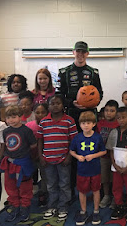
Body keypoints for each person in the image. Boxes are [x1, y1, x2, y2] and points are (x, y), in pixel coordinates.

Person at [37, 94, 77, 222]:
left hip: (63, 160)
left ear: (63, 105)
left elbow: (74, 141)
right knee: (51, 185)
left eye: (58, 103)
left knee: (64, 184)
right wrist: (41, 157)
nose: (55, 106)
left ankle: (63, 207)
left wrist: (69, 156)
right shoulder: (43, 122)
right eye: (52, 103)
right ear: (48, 106)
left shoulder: (69, 121)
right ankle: (52, 206)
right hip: (48, 160)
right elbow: (40, 141)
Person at [70, 111, 107, 226]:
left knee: (96, 190)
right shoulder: (77, 137)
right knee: (82, 191)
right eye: (83, 123)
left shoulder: (97, 137)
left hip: (95, 169)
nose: (86, 125)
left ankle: (96, 211)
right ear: (80, 124)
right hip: (82, 170)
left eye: (88, 123)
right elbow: (71, 150)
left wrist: (93, 156)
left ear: (94, 124)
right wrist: (77, 156)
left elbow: (104, 151)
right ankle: (83, 211)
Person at [1, 105, 37, 222]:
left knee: (25, 187)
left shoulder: (26, 130)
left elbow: (33, 146)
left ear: (20, 117)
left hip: (23, 163)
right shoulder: (6, 131)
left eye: (14, 117)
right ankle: (15, 205)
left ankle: (25, 207)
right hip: (10, 163)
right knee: (10, 186)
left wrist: (30, 159)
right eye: (8, 117)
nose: (11, 120)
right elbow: (6, 146)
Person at [58, 41, 103, 132]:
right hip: (71, 112)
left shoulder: (94, 73)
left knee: (89, 140)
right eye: (78, 51)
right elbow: (59, 95)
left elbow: (100, 93)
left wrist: (92, 103)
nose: (81, 54)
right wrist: (71, 103)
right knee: (73, 140)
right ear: (73, 52)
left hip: (90, 113)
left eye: (83, 52)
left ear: (87, 53)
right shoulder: (64, 72)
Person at [106, 107, 127, 222]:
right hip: (116, 167)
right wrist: (114, 165)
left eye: (123, 117)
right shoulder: (113, 132)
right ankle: (119, 206)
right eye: (118, 118)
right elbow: (111, 150)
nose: (121, 120)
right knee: (116, 187)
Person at [96, 100, 119, 209]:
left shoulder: (119, 124)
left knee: (115, 177)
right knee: (104, 177)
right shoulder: (100, 124)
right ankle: (106, 195)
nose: (109, 113)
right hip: (103, 156)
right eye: (106, 110)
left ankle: (115, 197)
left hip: (116, 156)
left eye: (112, 111)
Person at [26, 103, 49, 207]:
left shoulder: (50, 125)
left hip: (44, 156)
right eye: (37, 112)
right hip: (31, 156)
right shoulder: (29, 126)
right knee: (29, 175)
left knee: (44, 176)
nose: (40, 115)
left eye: (43, 112)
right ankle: (27, 194)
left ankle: (43, 193)